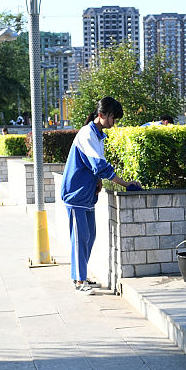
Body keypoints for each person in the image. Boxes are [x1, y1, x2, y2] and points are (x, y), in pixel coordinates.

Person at [60, 97, 140, 293]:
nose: (114, 122)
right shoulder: (87, 134)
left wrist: (98, 182)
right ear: (102, 115)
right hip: (76, 194)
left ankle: (80, 276)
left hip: (86, 194)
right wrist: (126, 184)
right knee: (81, 238)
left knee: (89, 236)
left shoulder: (97, 135)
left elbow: (94, 166)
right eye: (113, 118)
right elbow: (99, 166)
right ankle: (79, 281)